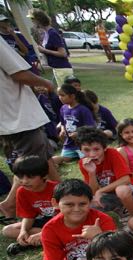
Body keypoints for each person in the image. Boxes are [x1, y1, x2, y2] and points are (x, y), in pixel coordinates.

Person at [0, 36, 60, 220]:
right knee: (31, 163)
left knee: (45, 157)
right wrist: (46, 83)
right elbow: (18, 73)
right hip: (17, 115)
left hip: (11, 116)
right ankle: (10, 204)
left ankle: (64, 194)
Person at [77, 126, 133, 222]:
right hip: (108, 194)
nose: (92, 154)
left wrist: (100, 191)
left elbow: (126, 179)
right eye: (86, 150)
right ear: (81, 150)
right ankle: (120, 210)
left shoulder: (112, 153)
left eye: (96, 149)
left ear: (104, 148)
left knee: (121, 190)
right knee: (86, 205)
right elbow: (93, 191)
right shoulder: (84, 163)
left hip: (130, 190)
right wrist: (91, 173)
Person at [2, 156, 58, 255]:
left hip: (61, 221)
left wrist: (42, 233)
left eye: (30, 177)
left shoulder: (57, 189)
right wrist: (23, 231)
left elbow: (66, 217)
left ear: (44, 175)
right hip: (45, 221)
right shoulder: (22, 191)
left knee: (63, 230)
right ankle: (47, 239)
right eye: (20, 177)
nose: (24, 181)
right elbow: (28, 216)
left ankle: (45, 239)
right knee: (7, 230)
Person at [53, 83, 96, 165]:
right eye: (59, 95)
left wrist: (78, 133)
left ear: (72, 96)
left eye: (62, 95)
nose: (60, 98)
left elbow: (91, 127)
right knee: (61, 159)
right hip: (70, 143)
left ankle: (84, 155)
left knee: (87, 160)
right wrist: (62, 130)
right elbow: (63, 123)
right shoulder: (63, 108)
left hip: (84, 143)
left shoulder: (83, 110)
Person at [28, 9, 73, 85]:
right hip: (57, 68)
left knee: (66, 91)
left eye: (33, 20)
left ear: (38, 20)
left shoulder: (52, 33)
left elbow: (63, 53)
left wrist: (44, 50)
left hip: (62, 68)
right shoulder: (47, 33)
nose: (32, 22)